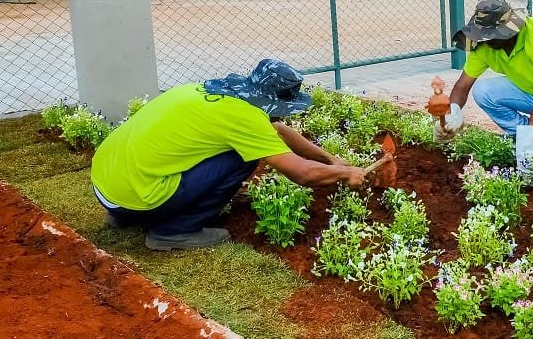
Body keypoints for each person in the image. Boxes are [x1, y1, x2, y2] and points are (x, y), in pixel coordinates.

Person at [90, 59, 365, 251]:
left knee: (212, 151)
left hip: (107, 185)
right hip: (137, 195)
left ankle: (125, 216)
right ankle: (174, 231)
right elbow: (302, 174)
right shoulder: (245, 119)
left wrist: (330, 159)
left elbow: (278, 129)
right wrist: (345, 173)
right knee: (241, 157)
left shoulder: (212, 92)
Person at [436, 0, 533, 174]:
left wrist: (528, 143)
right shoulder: (485, 45)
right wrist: (453, 113)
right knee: (483, 91)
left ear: (508, 30)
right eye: (484, 35)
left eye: (492, 35)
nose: (486, 40)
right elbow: (462, 86)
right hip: (528, 89)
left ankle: (529, 139)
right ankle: (525, 135)